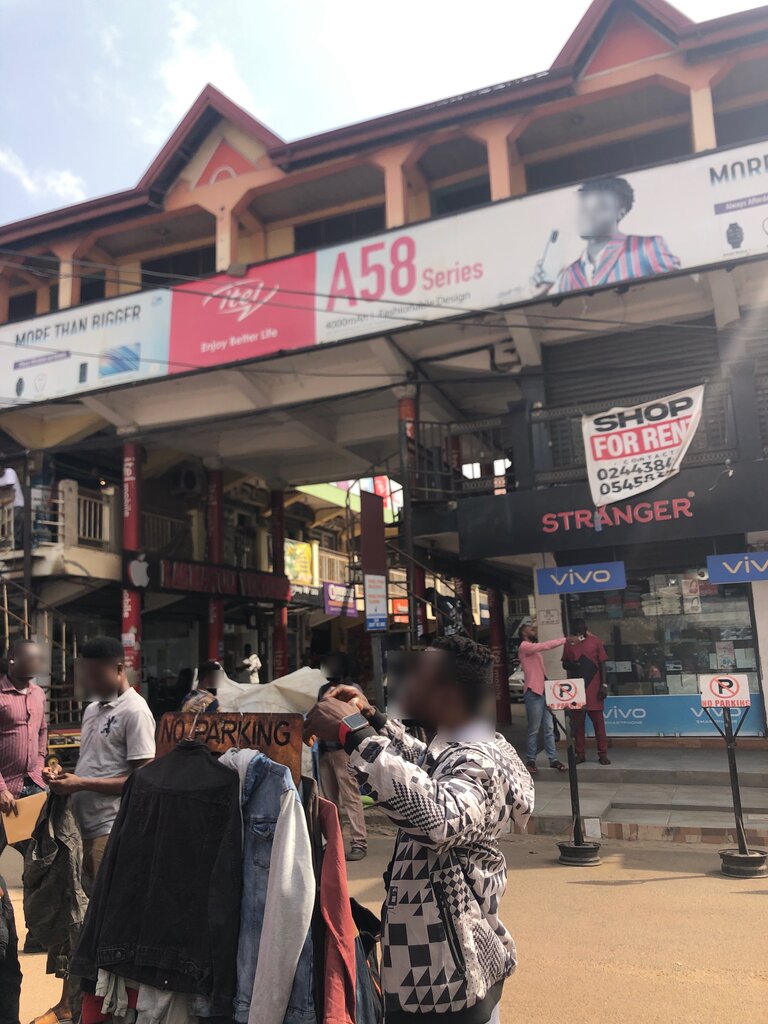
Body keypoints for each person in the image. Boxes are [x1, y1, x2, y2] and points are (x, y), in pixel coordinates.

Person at [304, 635, 534, 1024]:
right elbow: (425, 766)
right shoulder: (460, 743)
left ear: (448, 693)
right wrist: (373, 720)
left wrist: (352, 734)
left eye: (418, 677)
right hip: (449, 966)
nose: (405, 684)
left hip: (447, 980)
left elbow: (439, 818)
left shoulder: (476, 758)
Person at [38, 636, 156, 1024]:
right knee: (76, 922)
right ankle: (71, 1002)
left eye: (93, 674)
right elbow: (92, 764)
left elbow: (141, 781)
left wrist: (82, 784)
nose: (87, 681)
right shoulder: (93, 709)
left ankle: (102, 1006)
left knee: (99, 923)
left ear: (118, 669)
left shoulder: (135, 712)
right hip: (77, 829)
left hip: (109, 830)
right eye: (83, 674)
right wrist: (62, 775)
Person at [532, 176, 680, 295]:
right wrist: (542, 292)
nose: (588, 215)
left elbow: (683, 290)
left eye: (599, 207)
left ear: (620, 213)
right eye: (584, 208)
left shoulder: (647, 248)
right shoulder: (569, 275)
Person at [317, 651, 368, 862]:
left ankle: (359, 843)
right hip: (324, 751)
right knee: (330, 802)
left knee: (351, 798)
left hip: (343, 751)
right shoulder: (322, 690)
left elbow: (358, 721)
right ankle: (333, 843)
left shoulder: (352, 691)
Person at [0, 640, 47, 854]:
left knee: (36, 858)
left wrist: (39, 766)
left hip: (32, 788)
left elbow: (42, 730)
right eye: (32, 657)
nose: (38, 662)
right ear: (12, 659)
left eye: (39, 658)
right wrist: (1, 789)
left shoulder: (38, 694)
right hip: (4, 790)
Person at [517, 623, 569, 776]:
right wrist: (564, 640)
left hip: (543, 691)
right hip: (533, 692)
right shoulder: (525, 646)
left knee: (549, 728)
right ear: (524, 633)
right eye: (531, 629)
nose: (534, 631)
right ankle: (531, 760)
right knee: (534, 729)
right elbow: (546, 646)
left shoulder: (532, 647)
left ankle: (553, 759)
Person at [562, 617, 610, 765]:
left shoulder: (596, 641)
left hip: (594, 689)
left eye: (581, 628)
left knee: (599, 725)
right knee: (578, 726)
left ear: (586, 627)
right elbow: (564, 663)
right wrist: (572, 665)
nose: (579, 631)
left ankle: (603, 754)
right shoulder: (569, 643)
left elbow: (602, 663)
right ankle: (580, 753)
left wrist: (604, 685)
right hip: (576, 690)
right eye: (576, 629)